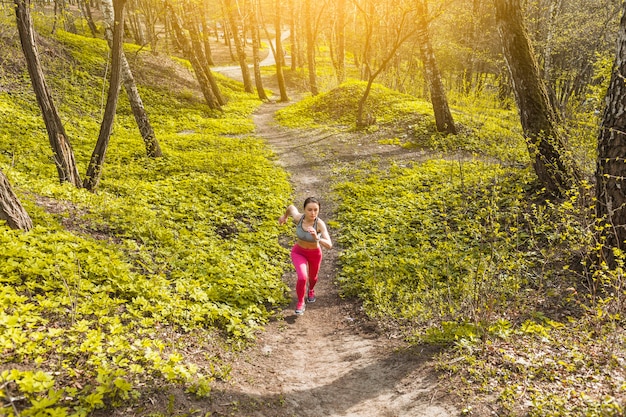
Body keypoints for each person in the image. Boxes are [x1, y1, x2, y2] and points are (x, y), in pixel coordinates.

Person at [278, 197, 332, 315]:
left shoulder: (320, 224)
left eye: (316, 210)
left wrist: (318, 238)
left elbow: (329, 245)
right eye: (309, 210)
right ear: (304, 210)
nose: (313, 213)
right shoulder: (299, 218)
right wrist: (284, 217)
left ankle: (311, 290)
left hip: (314, 254)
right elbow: (291, 207)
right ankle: (301, 302)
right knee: (302, 277)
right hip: (299, 252)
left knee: (313, 278)